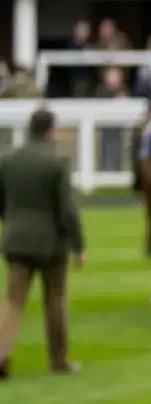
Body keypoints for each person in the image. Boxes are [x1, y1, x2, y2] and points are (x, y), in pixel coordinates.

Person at [0, 109, 85, 380]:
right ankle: (58, 360)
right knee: (55, 301)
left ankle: (2, 357)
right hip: (51, 244)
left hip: (16, 239)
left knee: (13, 303)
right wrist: (78, 244)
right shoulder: (57, 162)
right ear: (50, 130)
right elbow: (67, 210)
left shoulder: (8, 160)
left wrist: (10, 222)